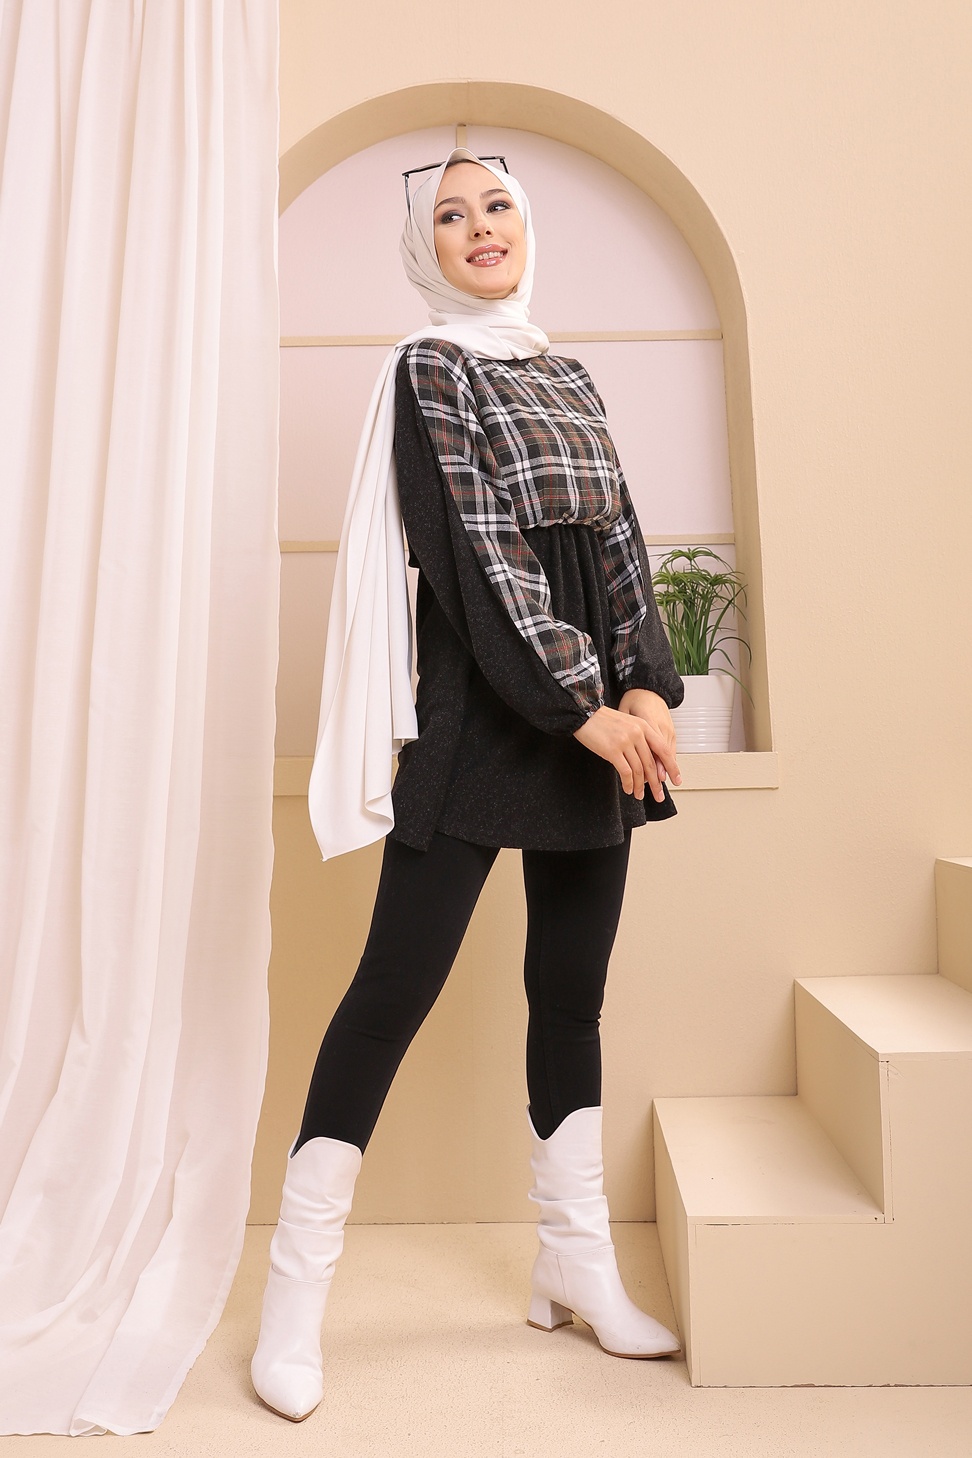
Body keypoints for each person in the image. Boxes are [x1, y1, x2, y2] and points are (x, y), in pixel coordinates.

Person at [251, 148, 685, 1423]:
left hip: (596, 721)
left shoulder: (566, 371)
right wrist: (580, 706)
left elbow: (619, 539)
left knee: (571, 997)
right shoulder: (430, 368)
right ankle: (291, 1301)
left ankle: (574, 1264)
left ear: (525, 224)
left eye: (497, 205)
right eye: (451, 215)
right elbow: (482, 559)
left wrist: (648, 688)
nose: (481, 228)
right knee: (391, 992)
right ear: (423, 248)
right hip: (487, 713)